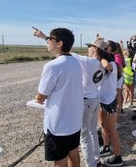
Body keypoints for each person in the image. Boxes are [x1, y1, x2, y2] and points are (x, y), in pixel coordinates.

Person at [33, 28, 83, 167]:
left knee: (60, 160)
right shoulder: (76, 63)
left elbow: (41, 95)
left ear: (59, 43)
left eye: (50, 39)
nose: (48, 41)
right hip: (74, 120)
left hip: (58, 123)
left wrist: (38, 97)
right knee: (73, 151)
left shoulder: (51, 66)